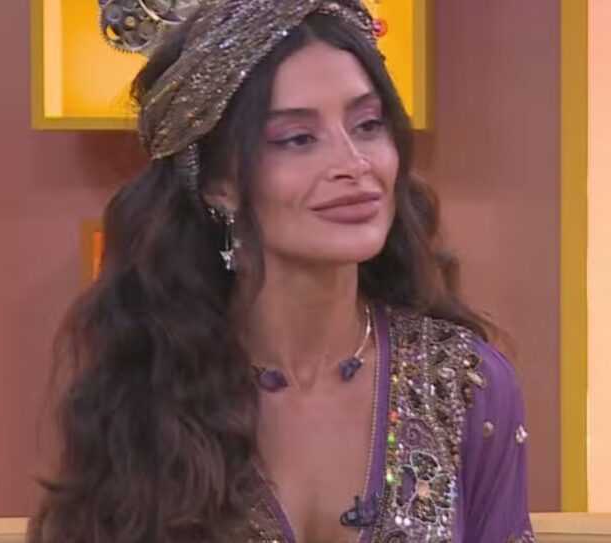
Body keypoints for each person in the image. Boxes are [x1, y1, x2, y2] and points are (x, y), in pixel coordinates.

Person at [30, 1, 534, 542]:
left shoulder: (462, 385)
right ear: (217, 183)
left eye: (368, 125)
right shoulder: (144, 391)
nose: (354, 164)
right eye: (297, 139)